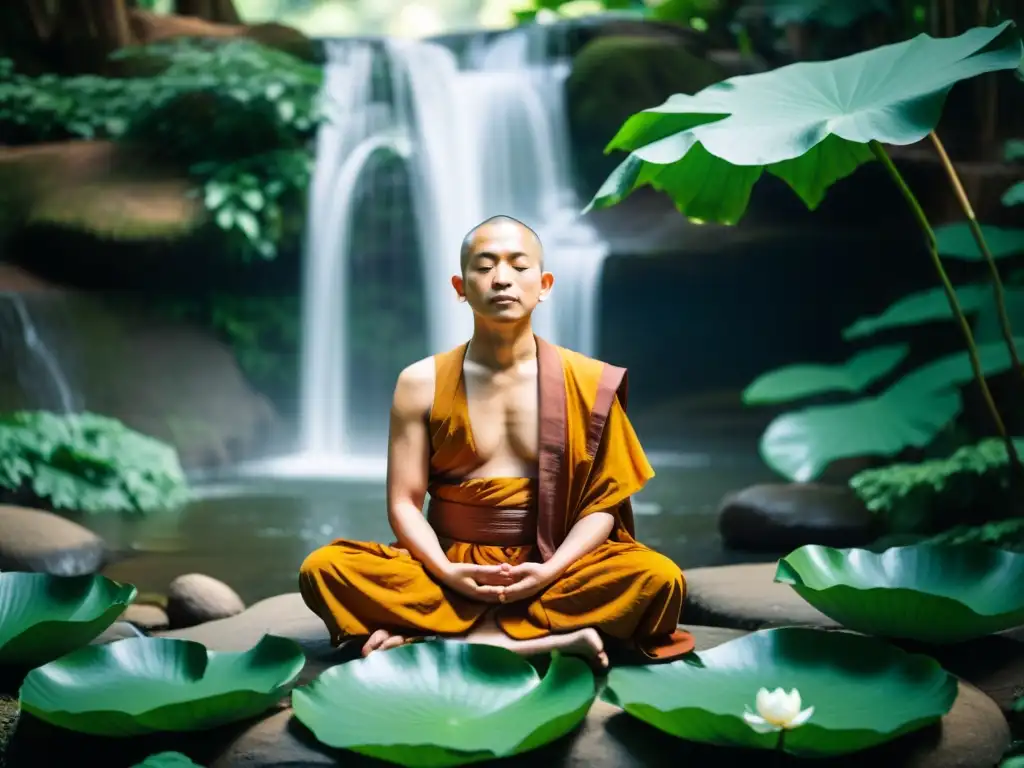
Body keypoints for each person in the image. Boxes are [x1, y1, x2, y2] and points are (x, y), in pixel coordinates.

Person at [299, 215, 693, 669]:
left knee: (659, 579)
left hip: (550, 564)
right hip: (449, 564)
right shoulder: (420, 382)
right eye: (484, 266)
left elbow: (600, 507)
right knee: (324, 568)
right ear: (459, 287)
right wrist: (447, 571)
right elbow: (404, 503)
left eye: (518, 266)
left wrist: (550, 570)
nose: (501, 278)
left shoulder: (587, 381)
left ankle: (438, 639)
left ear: (544, 284)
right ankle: (534, 642)